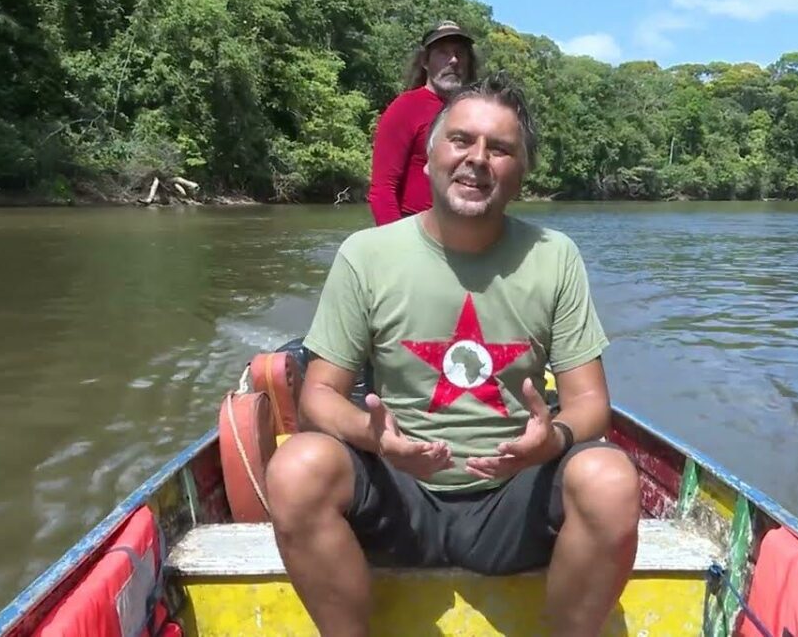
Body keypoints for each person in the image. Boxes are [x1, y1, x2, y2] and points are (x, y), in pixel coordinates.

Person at [266, 73, 641, 637]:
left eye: (501, 148)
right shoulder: (366, 256)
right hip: (400, 495)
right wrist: (378, 440)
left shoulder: (554, 256)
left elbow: (589, 402)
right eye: (460, 140)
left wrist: (552, 441)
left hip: (511, 503)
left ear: (520, 174)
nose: (478, 159)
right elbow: (319, 395)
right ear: (429, 157)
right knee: (295, 468)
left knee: (610, 478)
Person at [367, 21, 477, 226]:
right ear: (425, 62)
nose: (453, 60)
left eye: (460, 53)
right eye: (443, 53)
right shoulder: (405, 108)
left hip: (463, 231)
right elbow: (382, 190)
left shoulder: (475, 110)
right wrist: (398, 245)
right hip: (414, 228)